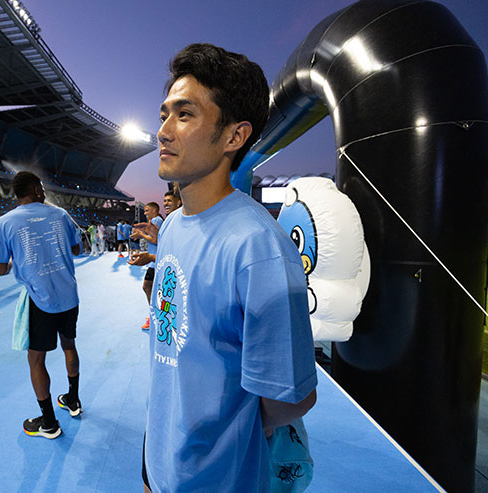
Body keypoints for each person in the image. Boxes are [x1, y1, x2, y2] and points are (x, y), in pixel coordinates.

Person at [139, 43, 317, 491]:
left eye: (184, 115)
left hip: (215, 477)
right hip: (159, 455)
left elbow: (289, 399)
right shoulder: (173, 226)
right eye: (164, 114)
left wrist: (224, 432)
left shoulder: (259, 248)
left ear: (234, 137)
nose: (163, 131)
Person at [0, 171, 82, 440]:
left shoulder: (3, 223)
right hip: (68, 294)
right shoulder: (61, 214)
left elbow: (0, 269)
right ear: (37, 189)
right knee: (69, 345)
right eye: (42, 188)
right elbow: (76, 249)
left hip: (41, 299)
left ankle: (48, 423)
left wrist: (23, 258)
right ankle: (73, 399)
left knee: (36, 359)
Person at [130, 202, 163, 330]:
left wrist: (141, 235)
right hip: (154, 261)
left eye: (147, 210)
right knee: (151, 288)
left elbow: (156, 240)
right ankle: (155, 313)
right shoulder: (156, 220)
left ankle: (155, 315)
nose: (145, 213)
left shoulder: (156, 221)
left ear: (155, 210)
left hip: (155, 261)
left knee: (148, 287)